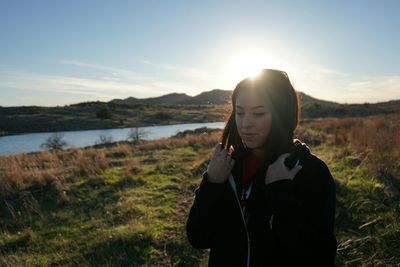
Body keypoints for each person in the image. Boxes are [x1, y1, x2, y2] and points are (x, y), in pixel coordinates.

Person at [186, 69, 337, 266]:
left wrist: (280, 192)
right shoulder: (227, 168)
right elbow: (198, 238)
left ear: (282, 114)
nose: (245, 123)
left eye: (258, 113)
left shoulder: (309, 171)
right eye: (239, 112)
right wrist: (212, 184)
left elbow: (319, 256)